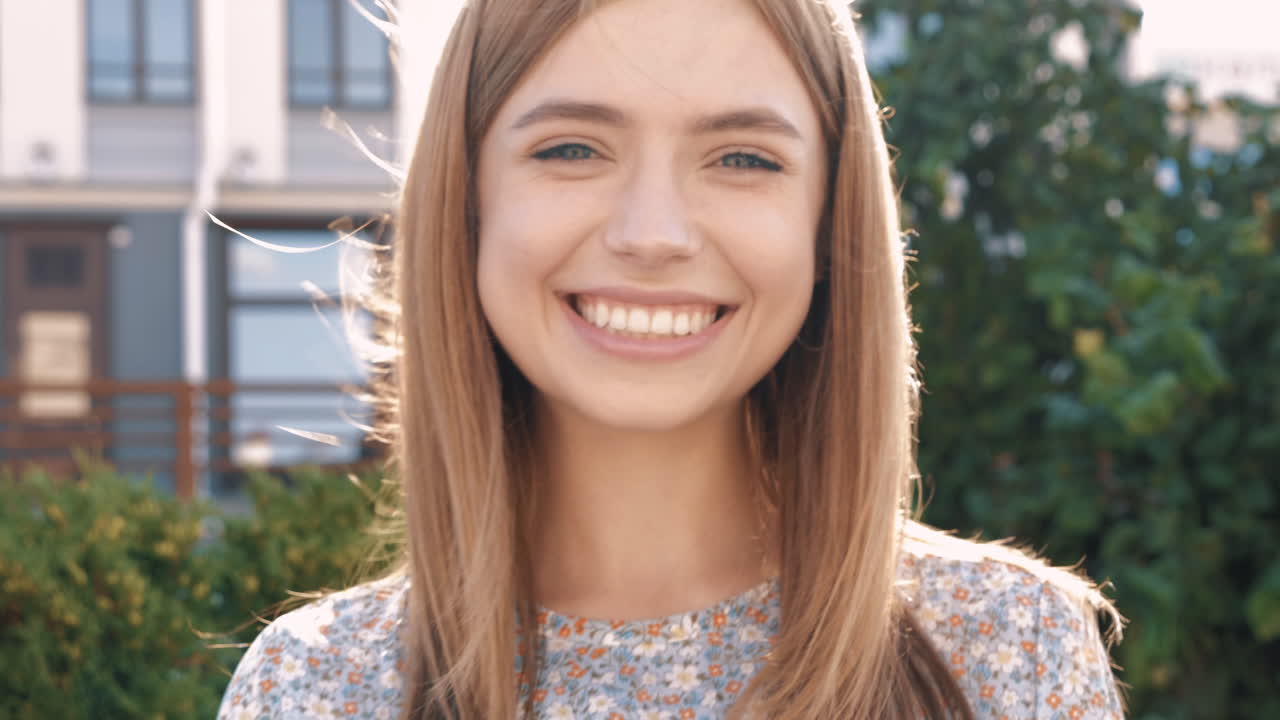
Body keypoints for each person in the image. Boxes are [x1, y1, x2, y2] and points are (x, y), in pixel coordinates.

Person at [217, 0, 1125, 718]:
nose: (653, 234)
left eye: (741, 158)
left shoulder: (1012, 657)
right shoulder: (315, 690)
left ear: (827, 220)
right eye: (572, 148)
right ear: (469, 202)